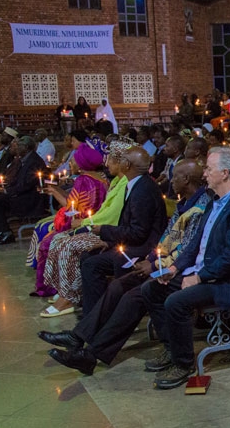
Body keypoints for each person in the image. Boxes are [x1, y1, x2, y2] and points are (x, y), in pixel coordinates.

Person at [39, 159, 211, 375]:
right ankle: (78, 338)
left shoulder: (200, 207)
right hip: (161, 262)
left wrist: (155, 264)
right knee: (118, 285)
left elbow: (188, 249)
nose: (170, 179)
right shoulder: (185, 202)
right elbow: (167, 238)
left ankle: (90, 355)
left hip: (180, 270)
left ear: (185, 179)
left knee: (134, 295)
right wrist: (151, 258)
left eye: (175, 175)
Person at [142, 146, 230, 389]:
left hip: (229, 281)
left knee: (176, 302)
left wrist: (198, 278)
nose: (204, 173)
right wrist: (175, 268)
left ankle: (183, 363)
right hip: (206, 273)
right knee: (150, 289)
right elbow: (195, 243)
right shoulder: (214, 202)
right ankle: (171, 347)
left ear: (225, 173)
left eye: (209, 169)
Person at [41, 139, 133, 316]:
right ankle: (66, 291)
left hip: (109, 232)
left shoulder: (124, 184)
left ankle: (68, 298)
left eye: (110, 160)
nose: (105, 163)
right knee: (59, 240)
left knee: (69, 245)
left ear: (122, 163)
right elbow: (103, 211)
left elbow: (110, 216)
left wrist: (83, 223)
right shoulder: (116, 181)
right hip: (98, 226)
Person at [78, 146, 168, 320]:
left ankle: (99, 317)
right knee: (88, 258)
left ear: (126, 164)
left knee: (95, 264)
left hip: (143, 248)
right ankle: (95, 314)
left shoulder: (143, 189)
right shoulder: (136, 184)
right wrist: (108, 241)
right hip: (133, 243)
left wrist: (104, 230)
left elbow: (138, 232)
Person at [28, 145, 108, 297]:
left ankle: (50, 288)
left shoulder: (84, 180)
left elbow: (73, 207)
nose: (70, 164)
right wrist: (56, 190)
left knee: (47, 242)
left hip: (82, 223)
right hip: (91, 220)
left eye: (73, 161)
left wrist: (53, 192)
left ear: (82, 164)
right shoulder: (101, 178)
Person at [0, 136, 47, 245]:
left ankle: (6, 233)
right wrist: (3, 188)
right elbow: (16, 181)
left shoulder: (34, 161)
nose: (17, 148)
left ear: (26, 147)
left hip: (29, 198)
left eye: (19, 146)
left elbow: (26, 185)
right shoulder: (23, 159)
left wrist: (6, 191)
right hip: (21, 194)